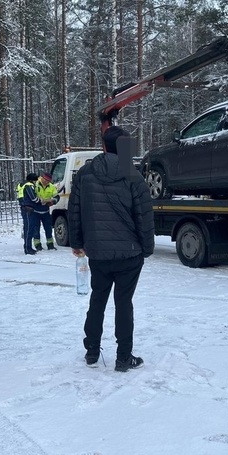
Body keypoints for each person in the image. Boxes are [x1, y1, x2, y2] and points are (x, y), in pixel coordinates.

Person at [68, 126, 155, 372]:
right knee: (124, 303)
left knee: (98, 300)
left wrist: (77, 243)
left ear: (104, 146)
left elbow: (75, 211)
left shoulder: (85, 173)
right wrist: (146, 248)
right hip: (129, 254)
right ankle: (123, 357)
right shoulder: (133, 175)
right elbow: (144, 217)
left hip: (97, 252)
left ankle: (92, 351)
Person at [32, 172, 60, 251]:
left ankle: (50, 244)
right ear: (42, 178)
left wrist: (53, 201)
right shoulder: (35, 185)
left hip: (45, 211)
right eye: (45, 180)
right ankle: (37, 245)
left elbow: (56, 196)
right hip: (35, 211)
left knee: (48, 228)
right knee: (36, 228)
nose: (46, 182)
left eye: (48, 181)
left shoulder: (51, 187)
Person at [18, 172, 39, 255]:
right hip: (28, 209)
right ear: (32, 180)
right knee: (29, 229)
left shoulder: (22, 185)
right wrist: (40, 201)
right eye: (35, 180)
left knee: (28, 228)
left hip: (25, 208)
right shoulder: (29, 186)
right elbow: (33, 198)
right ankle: (28, 248)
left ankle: (28, 247)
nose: (36, 182)